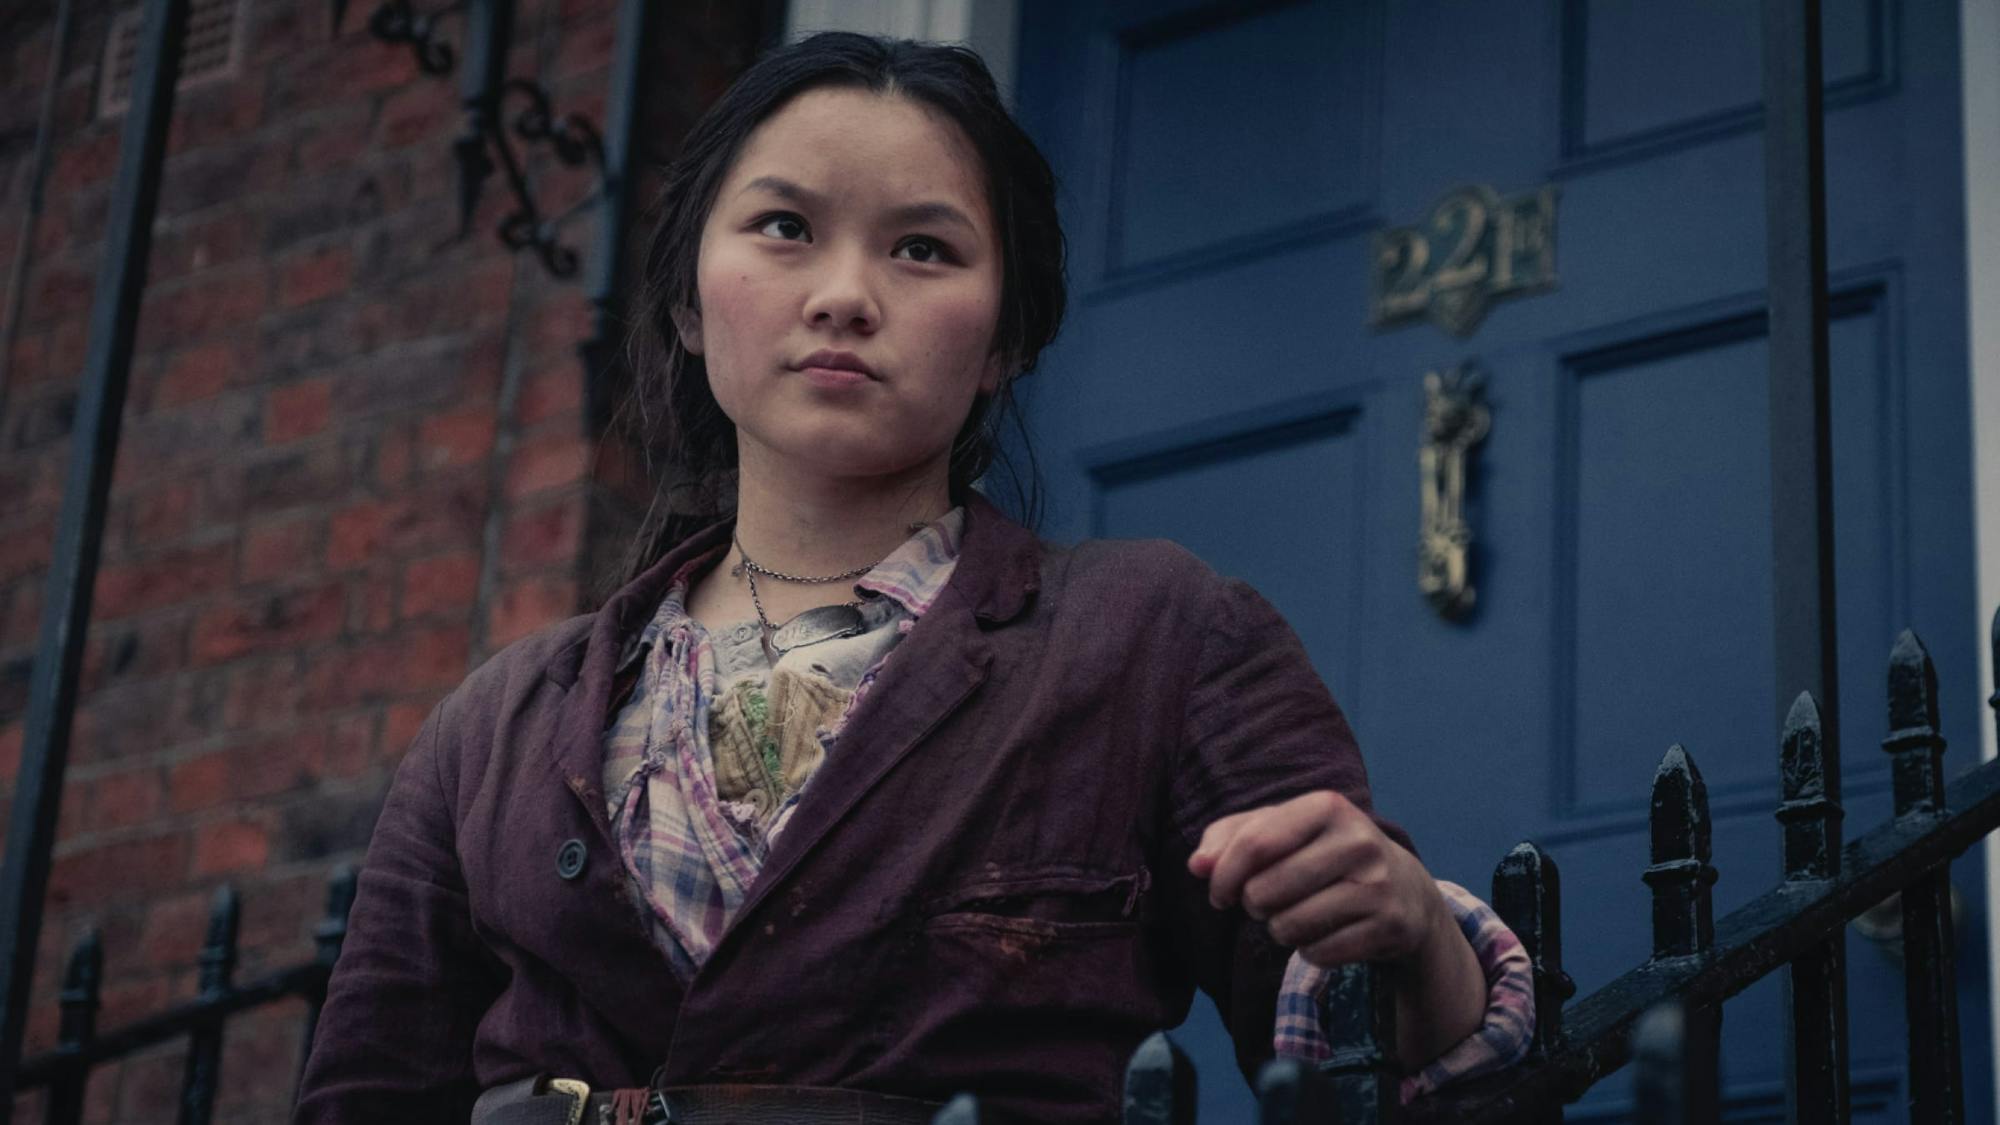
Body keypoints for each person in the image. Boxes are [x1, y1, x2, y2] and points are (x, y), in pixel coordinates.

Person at [294, 32, 1533, 1125]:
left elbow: (1368, 1059)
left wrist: (1420, 939)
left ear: (1004, 342)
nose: (843, 296)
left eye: (923, 249)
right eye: (783, 227)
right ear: (685, 300)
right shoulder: (491, 728)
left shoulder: (1156, 634)